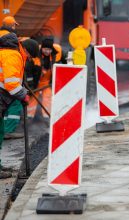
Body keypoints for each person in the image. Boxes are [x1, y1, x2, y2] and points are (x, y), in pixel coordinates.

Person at [0, 27, 39, 179]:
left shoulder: (10, 53)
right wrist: (23, 95)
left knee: (1, 130)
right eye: (29, 56)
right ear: (26, 50)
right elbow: (10, 83)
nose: (28, 59)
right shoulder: (13, 56)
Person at [0, 16, 24, 139]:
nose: (15, 28)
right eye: (14, 25)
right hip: (5, 86)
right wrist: (21, 93)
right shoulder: (8, 43)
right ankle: (7, 131)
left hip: (6, 83)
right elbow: (10, 80)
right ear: (10, 25)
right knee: (14, 104)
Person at [27, 38, 57, 122]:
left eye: (49, 49)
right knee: (32, 100)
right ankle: (29, 118)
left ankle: (47, 118)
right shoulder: (36, 56)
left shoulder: (54, 56)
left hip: (47, 84)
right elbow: (29, 71)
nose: (48, 51)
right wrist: (31, 86)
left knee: (47, 98)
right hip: (36, 84)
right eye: (46, 49)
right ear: (42, 48)